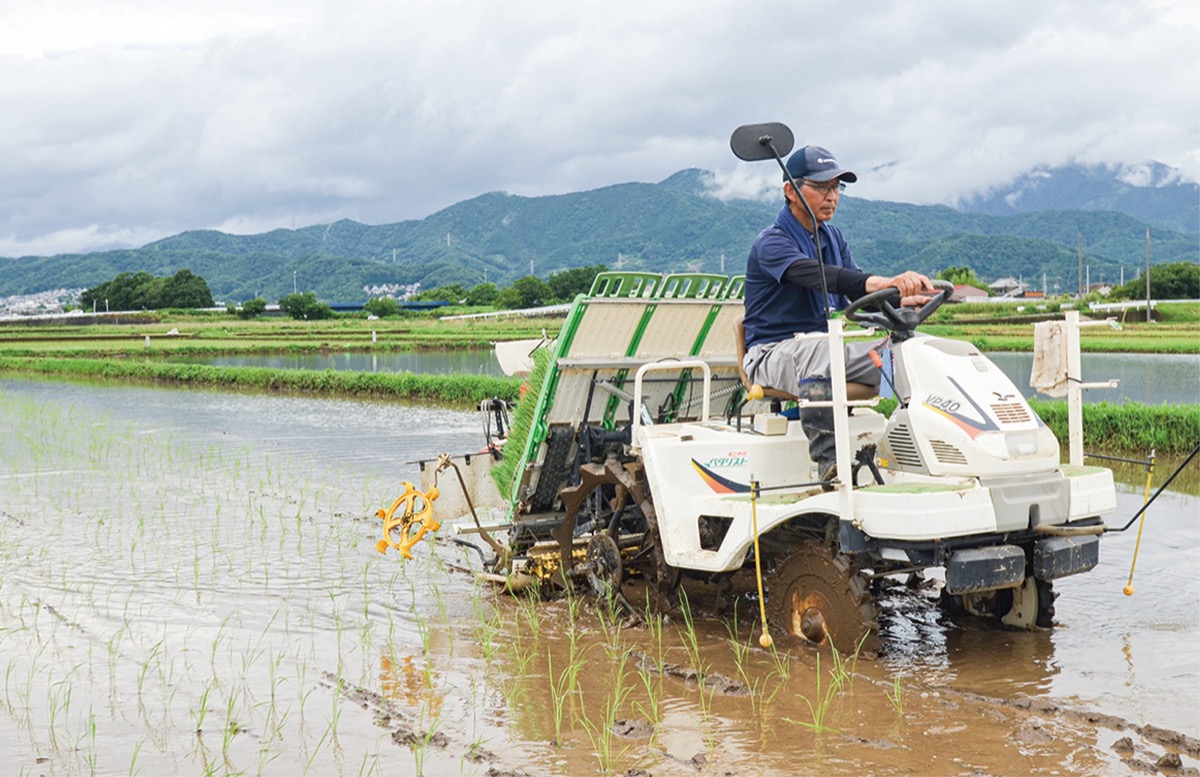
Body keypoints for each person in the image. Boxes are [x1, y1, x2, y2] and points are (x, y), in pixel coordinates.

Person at [741, 145, 934, 485]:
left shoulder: (833, 236)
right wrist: (882, 281)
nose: (832, 197)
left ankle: (924, 453)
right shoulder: (771, 243)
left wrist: (902, 303)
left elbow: (857, 294)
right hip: (769, 354)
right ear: (791, 190)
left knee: (912, 353)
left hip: (826, 350)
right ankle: (831, 468)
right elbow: (820, 276)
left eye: (836, 188)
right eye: (821, 187)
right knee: (819, 349)